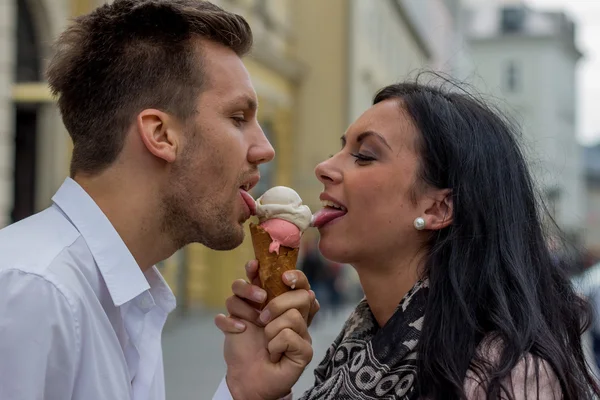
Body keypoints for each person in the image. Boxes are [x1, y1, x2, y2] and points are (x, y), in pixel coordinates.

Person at [0, 1, 316, 399]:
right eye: (238, 118)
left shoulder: (128, 293)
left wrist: (244, 390)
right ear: (161, 135)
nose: (265, 149)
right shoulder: (32, 293)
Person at [218, 80, 600, 399]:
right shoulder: (362, 347)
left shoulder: (506, 378)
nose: (325, 167)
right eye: (341, 148)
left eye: (364, 155)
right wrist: (258, 391)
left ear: (437, 209)